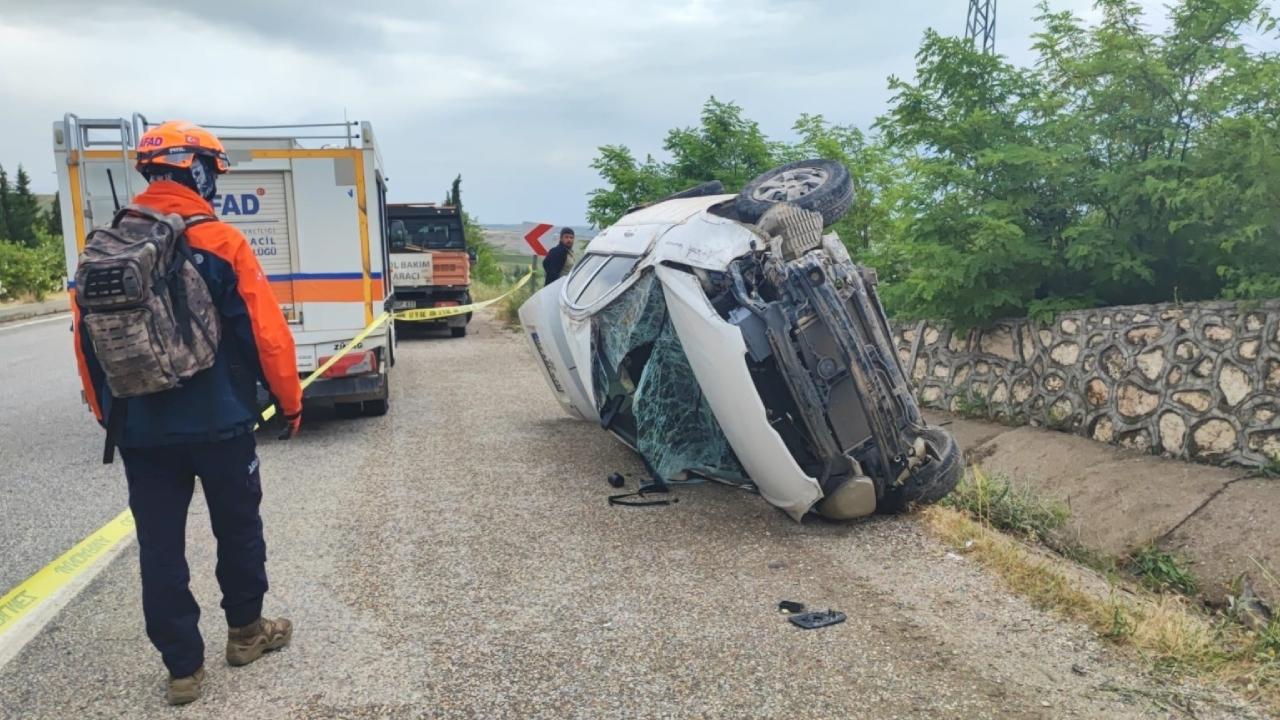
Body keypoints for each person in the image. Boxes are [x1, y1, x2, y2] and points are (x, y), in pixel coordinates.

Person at [72, 121, 302, 705]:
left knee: (159, 546)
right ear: (197, 170)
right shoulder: (221, 240)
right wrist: (289, 401)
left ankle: (183, 670)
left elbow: (86, 344)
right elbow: (265, 334)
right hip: (220, 423)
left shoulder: (106, 245)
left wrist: (109, 415)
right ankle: (247, 633)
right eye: (214, 172)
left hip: (141, 432)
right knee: (238, 528)